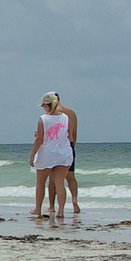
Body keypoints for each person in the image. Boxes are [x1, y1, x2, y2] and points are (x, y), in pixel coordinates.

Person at [29, 92, 74, 220]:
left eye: (44, 105)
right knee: (60, 182)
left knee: (41, 183)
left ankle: (37, 208)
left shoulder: (43, 119)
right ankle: (60, 211)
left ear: (48, 105)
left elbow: (39, 139)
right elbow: (70, 136)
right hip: (64, 152)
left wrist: (32, 155)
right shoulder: (66, 117)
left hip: (47, 153)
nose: (43, 107)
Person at [46, 92, 79, 215]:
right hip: (68, 147)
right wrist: (71, 147)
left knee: (53, 179)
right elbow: (74, 134)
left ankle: (51, 206)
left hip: (54, 148)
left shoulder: (51, 114)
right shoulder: (71, 112)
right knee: (70, 176)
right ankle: (74, 200)